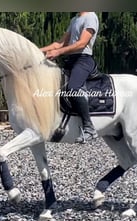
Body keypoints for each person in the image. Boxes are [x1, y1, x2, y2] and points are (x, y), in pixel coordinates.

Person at [40, 12, 99, 144]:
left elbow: (82, 43)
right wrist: (36, 50)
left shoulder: (90, 17)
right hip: (71, 60)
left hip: (84, 59)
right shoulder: (75, 19)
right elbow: (59, 44)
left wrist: (58, 52)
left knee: (73, 88)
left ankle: (89, 127)